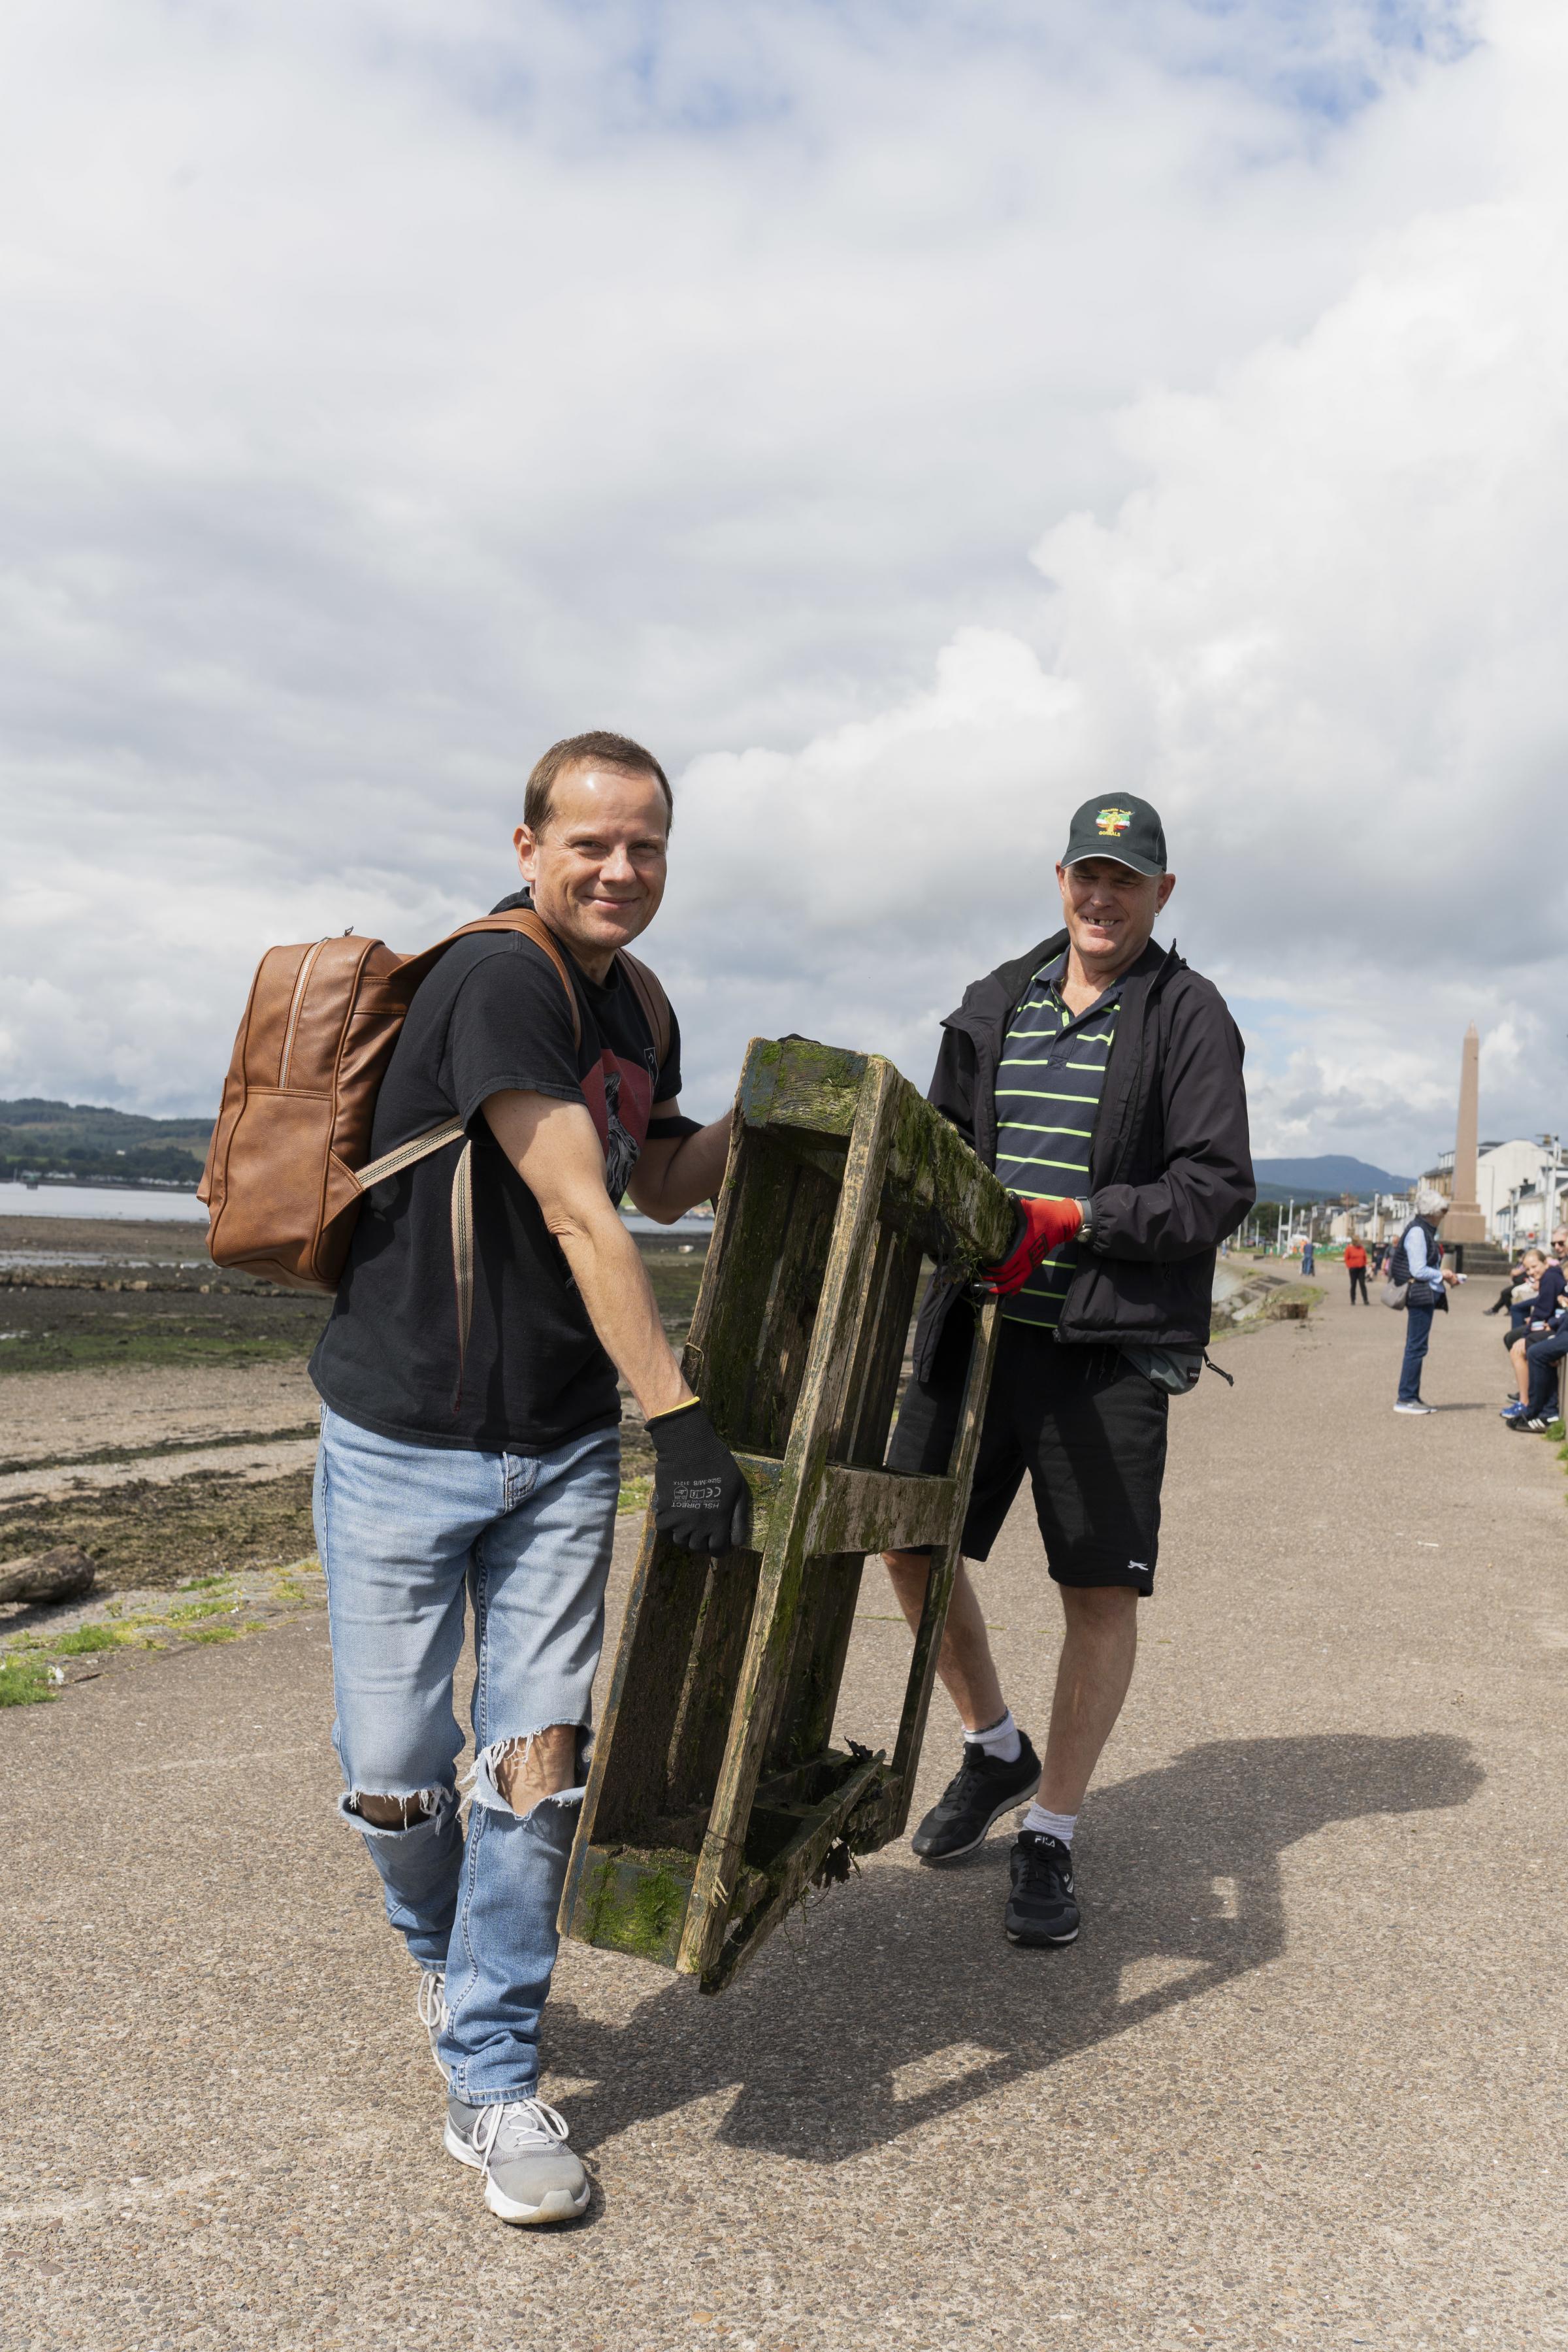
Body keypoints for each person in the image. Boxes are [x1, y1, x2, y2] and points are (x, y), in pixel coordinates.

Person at [308, 732, 749, 2227]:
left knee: (532, 1761)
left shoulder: (642, 1001)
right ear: (526, 846)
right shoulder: (498, 980)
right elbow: (575, 1208)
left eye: (645, 846)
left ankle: (491, 2075)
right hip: (399, 1435)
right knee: (389, 1775)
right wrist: (679, 1415)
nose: (619, 869)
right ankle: (445, 1958)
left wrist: (790, 1109)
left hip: (554, 1444)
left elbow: (658, 1174)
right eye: (590, 842)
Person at [879, 793, 1253, 1950]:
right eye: (1088, 874)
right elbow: (938, 1151)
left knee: (1097, 1590)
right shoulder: (996, 999)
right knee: (902, 1534)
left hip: (1106, 1349)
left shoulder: (1190, 1016)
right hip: (978, 1329)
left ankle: (1052, 1828)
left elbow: (1214, 1186)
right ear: (1060, 879)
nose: (1103, 896)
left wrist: (1080, 1219)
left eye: (1127, 879)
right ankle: (995, 1745)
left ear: (1161, 893)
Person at [1392, 1190, 1459, 1414]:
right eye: (1442, 1212)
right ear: (1432, 1213)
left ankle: (1411, 1395)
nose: (1443, 1217)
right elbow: (1418, 1270)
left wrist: (1444, 1276)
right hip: (1420, 1295)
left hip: (1424, 1294)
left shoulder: (1422, 1230)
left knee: (1417, 1347)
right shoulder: (1419, 1232)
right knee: (1416, 1347)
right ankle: (1406, 1397)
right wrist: (1444, 1275)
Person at [1502, 1247, 1561, 1424]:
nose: (1532, 1272)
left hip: (1557, 1327)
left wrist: (1526, 1336)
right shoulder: (1549, 1276)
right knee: (1514, 1340)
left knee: (1518, 1348)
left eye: (1535, 1266)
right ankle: (1526, 1395)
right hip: (1554, 1324)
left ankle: (1526, 1402)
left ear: (1545, 1263)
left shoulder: (1550, 1278)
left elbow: (1543, 1310)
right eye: (1528, 1269)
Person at [1345, 1238, 1369, 1304]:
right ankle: (1353, 1300)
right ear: (1355, 1242)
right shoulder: (1349, 1249)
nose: (1360, 1243)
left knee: (1362, 1284)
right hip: (1353, 1269)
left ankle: (1365, 1300)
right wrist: (1349, 1266)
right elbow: (1346, 1258)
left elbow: (1365, 1257)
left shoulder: (1362, 1248)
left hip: (1361, 1268)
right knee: (1353, 1284)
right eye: (1358, 1242)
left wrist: (1365, 1264)